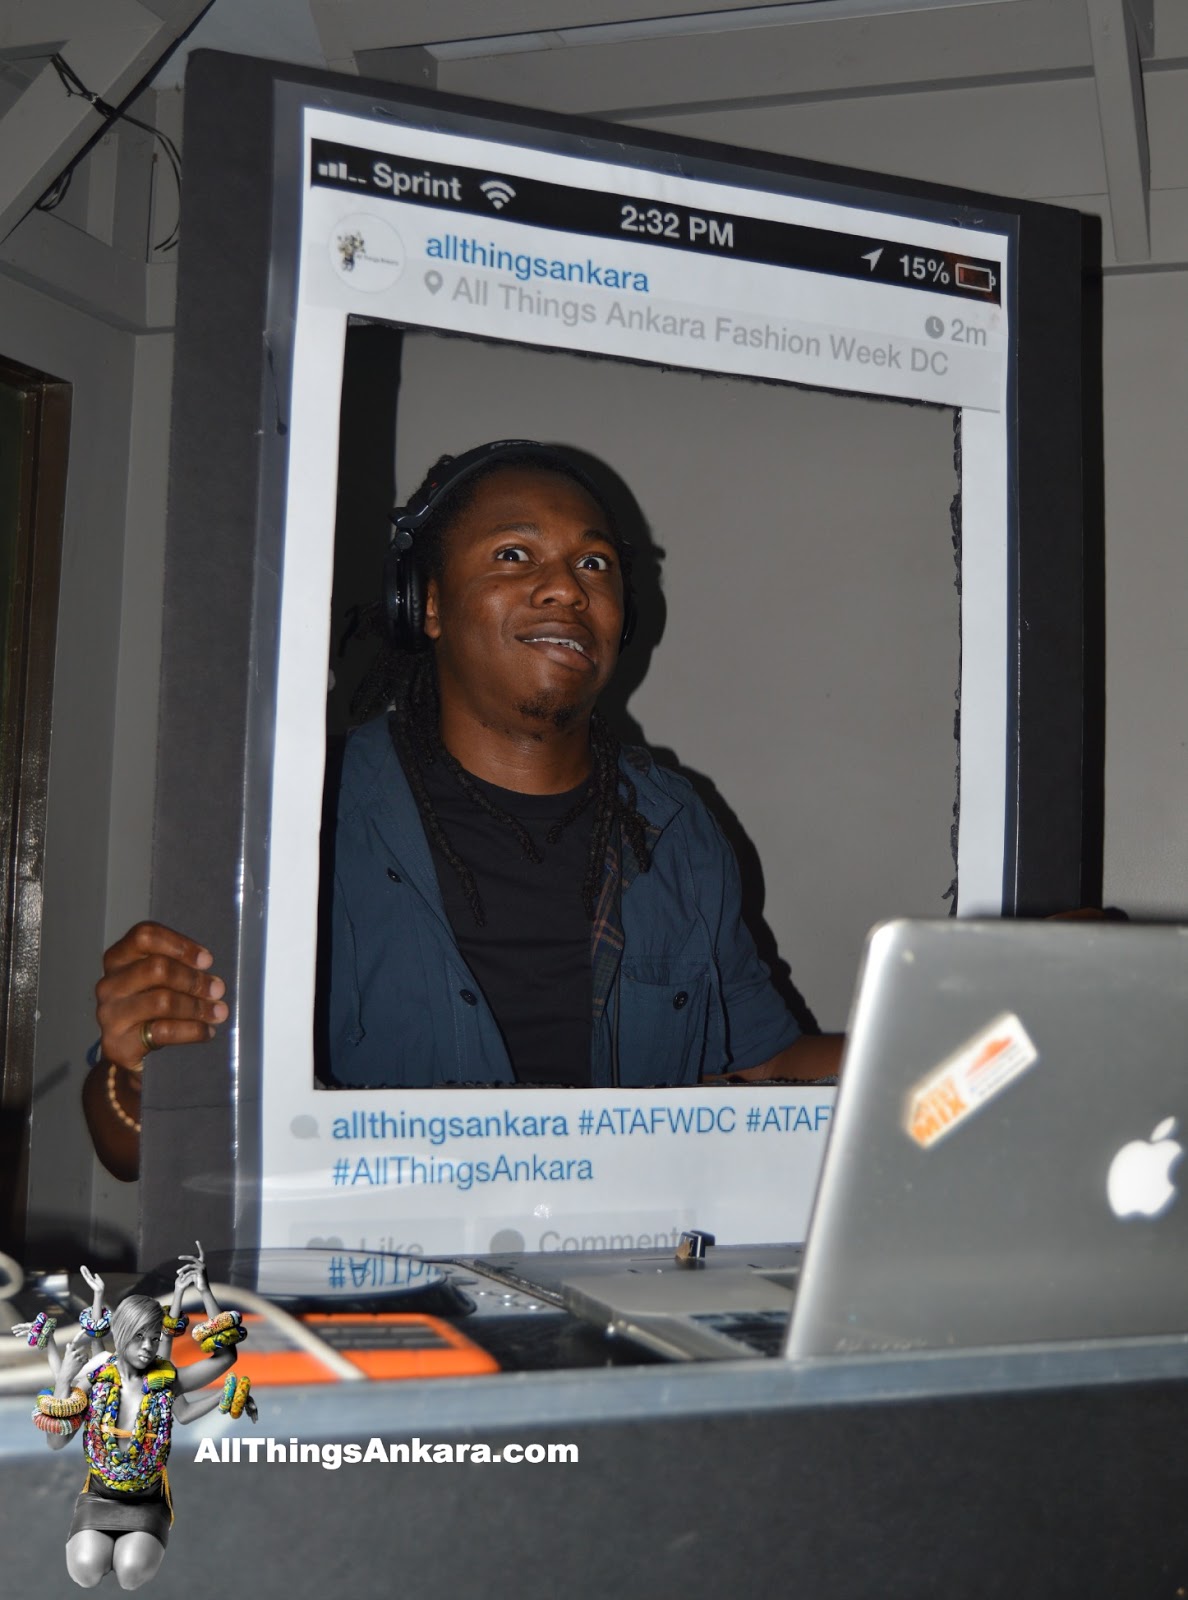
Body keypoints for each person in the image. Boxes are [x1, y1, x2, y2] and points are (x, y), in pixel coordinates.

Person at [88, 441, 842, 1177]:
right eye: (514, 554)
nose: (566, 588)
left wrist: (910, 1065)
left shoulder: (675, 825)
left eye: (594, 563)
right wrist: (136, 1065)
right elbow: (130, 1148)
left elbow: (763, 1061)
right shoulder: (296, 816)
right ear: (427, 604)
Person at [30, 1244, 254, 1589]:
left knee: (131, 1573)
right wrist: (64, 1381)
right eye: (139, 1337)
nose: (148, 1346)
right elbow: (56, 1441)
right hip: (99, 1495)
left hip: (148, 1500)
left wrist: (204, 1291)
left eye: (153, 1337)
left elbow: (225, 1358)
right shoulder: (96, 1378)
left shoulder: (166, 1380)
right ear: (121, 1334)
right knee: (86, 1572)